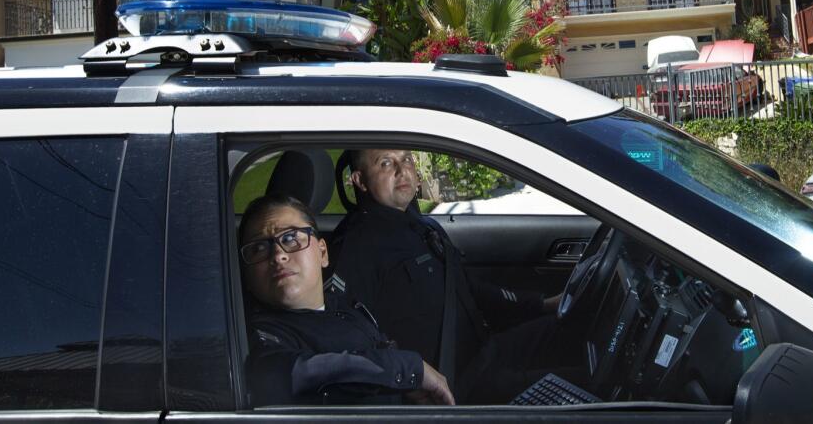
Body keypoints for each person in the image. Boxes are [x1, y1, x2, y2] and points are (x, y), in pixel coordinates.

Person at [330, 149, 577, 404]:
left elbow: (468, 289)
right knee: (581, 383)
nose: (401, 170)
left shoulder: (423, 227)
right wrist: (404, 379)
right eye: (385, 163)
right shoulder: (356, 246)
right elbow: (345, 336)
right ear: (359, 181)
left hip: (483, 352)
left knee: (569, 327)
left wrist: (543, 304)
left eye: (406, 159)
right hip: (453, 390)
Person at [239, 193, 455, 406]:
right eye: (259, 248)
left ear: (323, 253)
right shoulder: (261, 335)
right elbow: (293, 374)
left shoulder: (347, 306)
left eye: (290, 238)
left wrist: (405, 388)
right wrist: (408, 368)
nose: (278, 255)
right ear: (247, 275)